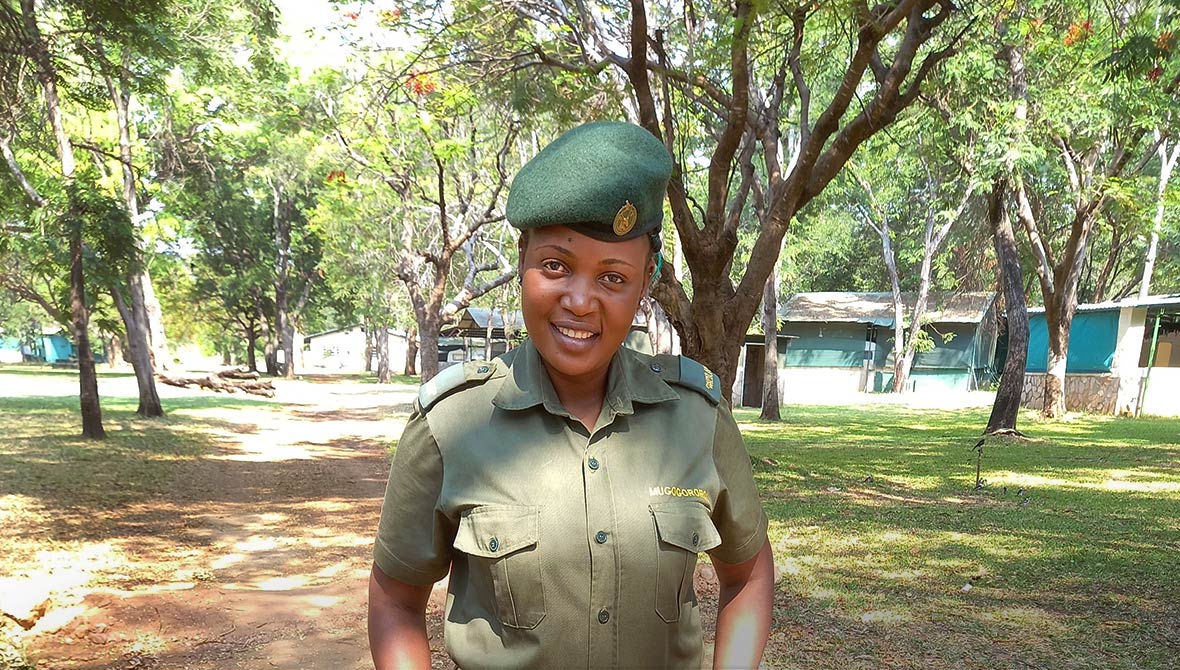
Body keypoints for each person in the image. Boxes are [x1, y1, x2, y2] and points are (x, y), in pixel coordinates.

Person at [368, 121, 774, 670]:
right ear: (521, 262)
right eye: (556, 266)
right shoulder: (450, 424)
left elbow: (747, 572)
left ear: (646, 283)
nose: (580, 302)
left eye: (613, 277)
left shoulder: (697, 417)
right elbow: (396, 598)